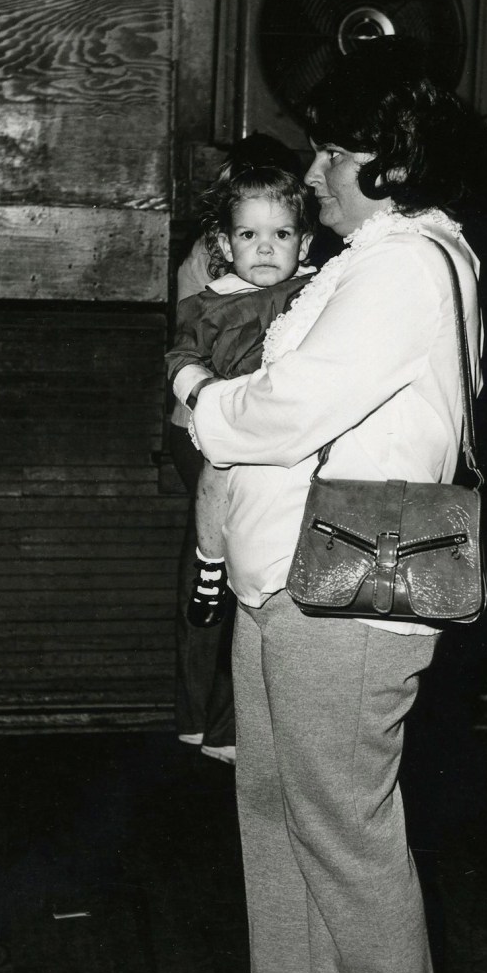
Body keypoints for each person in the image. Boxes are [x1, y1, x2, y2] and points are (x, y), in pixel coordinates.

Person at [183, 40, 487, 973]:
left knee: (346, 838)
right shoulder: (381, 258)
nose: (313, 171)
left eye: (330, 153)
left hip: (349, 600)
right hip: (293, 580)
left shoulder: (406, 264)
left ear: (387, 162)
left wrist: (198, 399)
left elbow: (289, 407)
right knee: (278, 814)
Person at [165, 136, 316, 764]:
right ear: (226, 238)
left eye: (280, 233)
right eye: (248, 232)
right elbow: (180, 352)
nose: (264, 246)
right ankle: (208, 562)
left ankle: (223, 722)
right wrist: (204, 395)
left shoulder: (313, 286)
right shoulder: (213, 294)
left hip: (273, 434)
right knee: (219, 512)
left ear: (301, 239)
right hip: (219, 428)